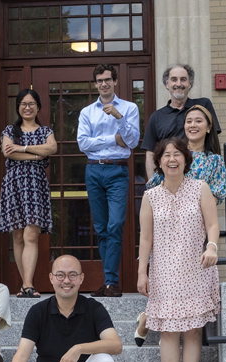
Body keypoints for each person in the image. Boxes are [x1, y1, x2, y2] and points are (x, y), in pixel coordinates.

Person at [137, 137, 220, 362]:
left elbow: (212, 224)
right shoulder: (150, 196)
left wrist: (212, 247)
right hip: (163, 272)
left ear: (186, 159)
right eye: (166, 155)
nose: (172, 159)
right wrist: (142, 272)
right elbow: (146, 238)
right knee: (169, 333)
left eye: (177, 154)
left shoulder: (200, 188)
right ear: (158, 162)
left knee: (193, 331)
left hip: (196, 268)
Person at [136, 105, 226, 346]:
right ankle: (148, 316)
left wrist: (195, 202)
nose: (193, 125)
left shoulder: (213, 161)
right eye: (189, 121)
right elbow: (155, 185)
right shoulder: (174, 153)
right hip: (168, 235)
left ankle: (146, 318)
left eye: (199, 121)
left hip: (194, 233)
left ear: (209, 128)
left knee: (190, 313)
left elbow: (218, 195)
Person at [76, 64, 140, 298]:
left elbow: (132, 142)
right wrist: (114, 138)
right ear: (95, 84)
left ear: (115, 82)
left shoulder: (129, 108)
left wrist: (119, 118)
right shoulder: (87, 112)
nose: (104, 84)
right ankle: (109, 281)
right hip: (93, 171)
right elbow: (83, 144)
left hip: (117, 171)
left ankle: (112, 281)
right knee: (101, 228)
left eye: (107, 80)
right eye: (100, 80)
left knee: (115, 225)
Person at [0, 89, 57, 298]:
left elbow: (51, 149)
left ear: (38, 107)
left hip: (36, 184)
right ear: (18, 107)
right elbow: (7, 151)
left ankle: (28, 285)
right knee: (18, 235)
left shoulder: (45, 131)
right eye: (23, 104)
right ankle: (25, 285)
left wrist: (21, 149)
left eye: (32, 103)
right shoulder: (9, 130)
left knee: (31, 234)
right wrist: (34, 155)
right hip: (14, 184)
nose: (27, 107)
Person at [141, 64, 222, 180]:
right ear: (167, 84)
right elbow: (150, 153)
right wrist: (154, 184)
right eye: (174, 79)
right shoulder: (156, 117)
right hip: (169, 176)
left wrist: (214, 171)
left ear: (190, 84)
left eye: (183, 79)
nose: (178, 84)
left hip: (201, 174)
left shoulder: (203, 106)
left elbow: (213, 139)